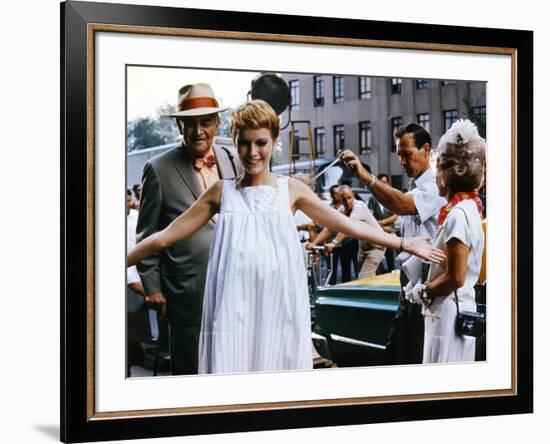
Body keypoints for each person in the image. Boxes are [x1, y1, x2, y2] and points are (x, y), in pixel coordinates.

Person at [128, 100, 445, 375]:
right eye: (244, 143)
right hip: (231, 309)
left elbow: (349, 225)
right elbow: (164, 236)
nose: (253, 153)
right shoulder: (220, 192)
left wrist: (404, 243)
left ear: (274, 141)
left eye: (261, 143)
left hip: (278, 307)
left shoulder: (290, 189)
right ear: (234, 142)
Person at [135, 83, 241, 375]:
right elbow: (147, 234)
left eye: (206, 122)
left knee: (230, 366)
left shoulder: (231, 159)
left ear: (217, 123)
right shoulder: (157, 169)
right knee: (191, 372)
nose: (198, 131)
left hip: (234, 286)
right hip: (185, 293)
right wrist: (153, 288)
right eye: (190, 124)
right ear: (180, 125)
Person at [340, 123, 447, 365]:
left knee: (411, 359)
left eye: (406, 154)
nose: (401, 161)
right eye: (398, 154)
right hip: (408, 289)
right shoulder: (416, 186)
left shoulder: (436, 186)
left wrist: (365, 177)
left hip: (426, 291)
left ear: (426, 149)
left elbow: (400, 204)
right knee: (396, 355)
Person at [404, 119, 485, 363]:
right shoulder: (469, 208)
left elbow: (456, 277)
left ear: (447, 174)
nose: (435, 176)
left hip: (448, 314)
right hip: (455, 311)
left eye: (437, 168)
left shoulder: (458, 215)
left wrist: (423, 291)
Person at [307, 185, 385, 280]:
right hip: (363, 246)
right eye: (344, 199)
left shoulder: (359, 206)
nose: (347, 202)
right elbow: (330, 228)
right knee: (368, 278)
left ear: (353, 195)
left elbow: (348, 228)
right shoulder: (342, 209)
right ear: (340, 199)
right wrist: (314, 243)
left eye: (349, 198)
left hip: (377, 245)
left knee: (364, 278)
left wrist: (334, 243)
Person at [367, 174, 398, 273]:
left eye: (385, 182)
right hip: (378, 233)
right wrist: (380, 226)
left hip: (390, 233)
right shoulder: (373, 199)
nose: (383, 185)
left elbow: (396, 215)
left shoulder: (391, 197)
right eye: (381, 182)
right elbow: (370, 216)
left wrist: (382, 222)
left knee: (391, 260)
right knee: (377, 260)